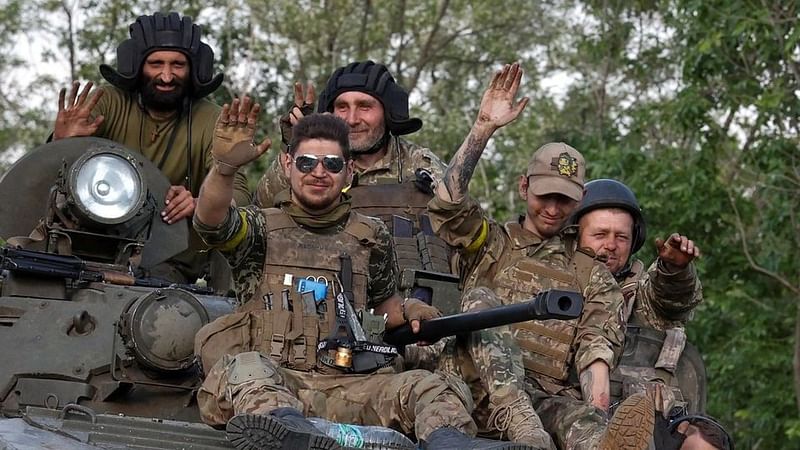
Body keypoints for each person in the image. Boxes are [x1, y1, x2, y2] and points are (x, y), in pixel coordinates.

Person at [192, 105, 529, 450]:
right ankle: (289, 436)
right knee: (246, 367)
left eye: (332, 164)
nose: (318, 172)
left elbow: (384, 306)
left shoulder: (369, 235)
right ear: (287, 165)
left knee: (428, 386)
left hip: (350, 387)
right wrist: (224, 168)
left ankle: (451, 442)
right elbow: (210, 221)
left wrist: (411, 309)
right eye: (307, 162)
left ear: (349, 172)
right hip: (278, 386)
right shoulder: (259, 227)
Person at [427, 63, 655, 449]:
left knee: (587, 426)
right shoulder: (492, 241)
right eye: (544, 195)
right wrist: (482, 128)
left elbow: (595, 349)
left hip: (542, 400)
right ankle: (522, 427)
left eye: (563, 199)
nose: (552, 208)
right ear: (523, 187)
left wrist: (598, 412)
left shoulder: (590, 274)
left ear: (579, 199)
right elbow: (448, 204)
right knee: (483, 302)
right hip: (467, 386)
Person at [51, 11, 250, 286]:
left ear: (194, 68)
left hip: (167, 261)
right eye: (156, 63)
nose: (166, 76)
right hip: (90, 245)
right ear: (137, 64)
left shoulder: (212, 120)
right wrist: (61, 142)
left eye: (178, 65)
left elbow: (240, 193)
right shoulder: (108, 102)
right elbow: (52, 175)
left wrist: (200, 203)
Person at [253, 61, 457, 314]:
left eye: (364, 107)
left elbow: (462, 226)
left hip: (411, 314)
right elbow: (261, 214)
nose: (351, 119)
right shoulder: (313, 168)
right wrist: (298, 144)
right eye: (342, 107)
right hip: (326, 312)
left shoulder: (422, 167)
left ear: (387, 111)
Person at [571, 179, 706, 414]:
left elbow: (671, 299)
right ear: (574, 235)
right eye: (600, 234)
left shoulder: (640, 295)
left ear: (635, 240)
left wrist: (674, 271)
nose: (611, 245)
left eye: (621, 237)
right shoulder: (552, 280)